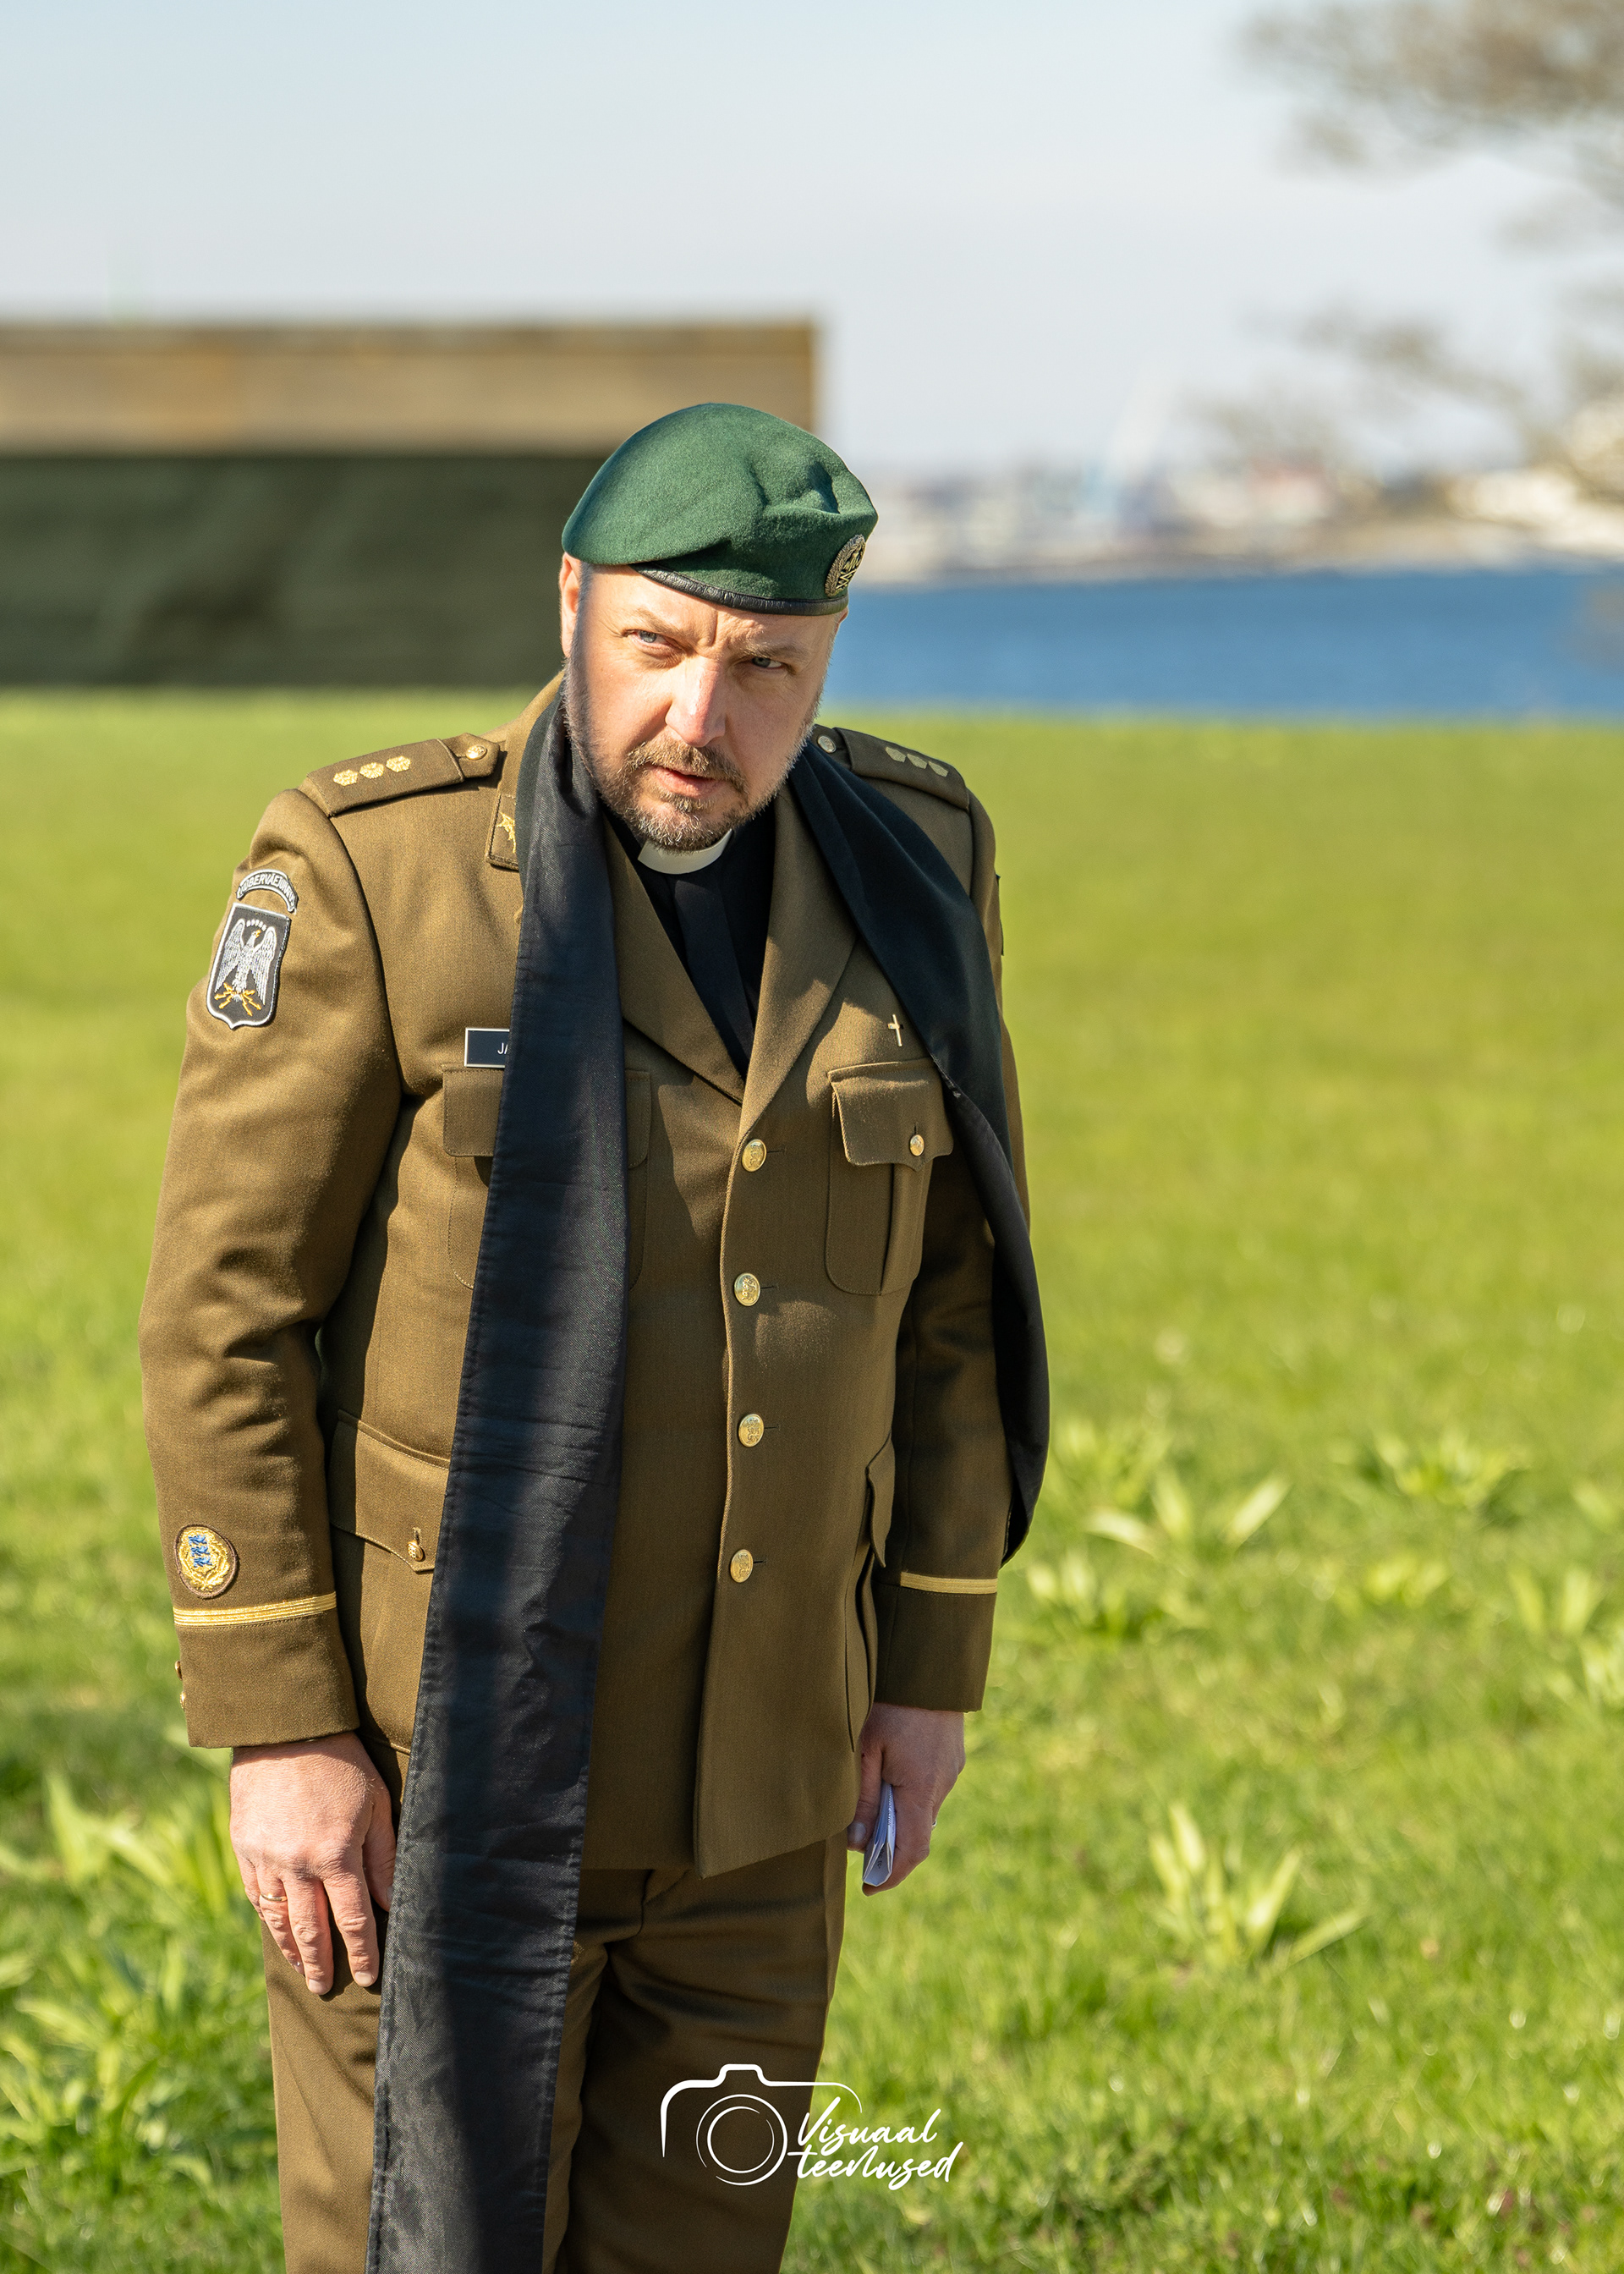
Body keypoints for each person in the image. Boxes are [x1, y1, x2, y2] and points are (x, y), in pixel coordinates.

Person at [140, 401, 1045, 2274]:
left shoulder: (914, 863)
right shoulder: (378, 869)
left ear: (827, 655)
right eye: (658, 645)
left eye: (767, 666)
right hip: (437, 1785)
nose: (701, 716)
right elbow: (227, 1316)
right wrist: (282, 1725)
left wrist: (929, 1667)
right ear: (571, 604)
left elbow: (956, 1301)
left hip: (762, 1794)